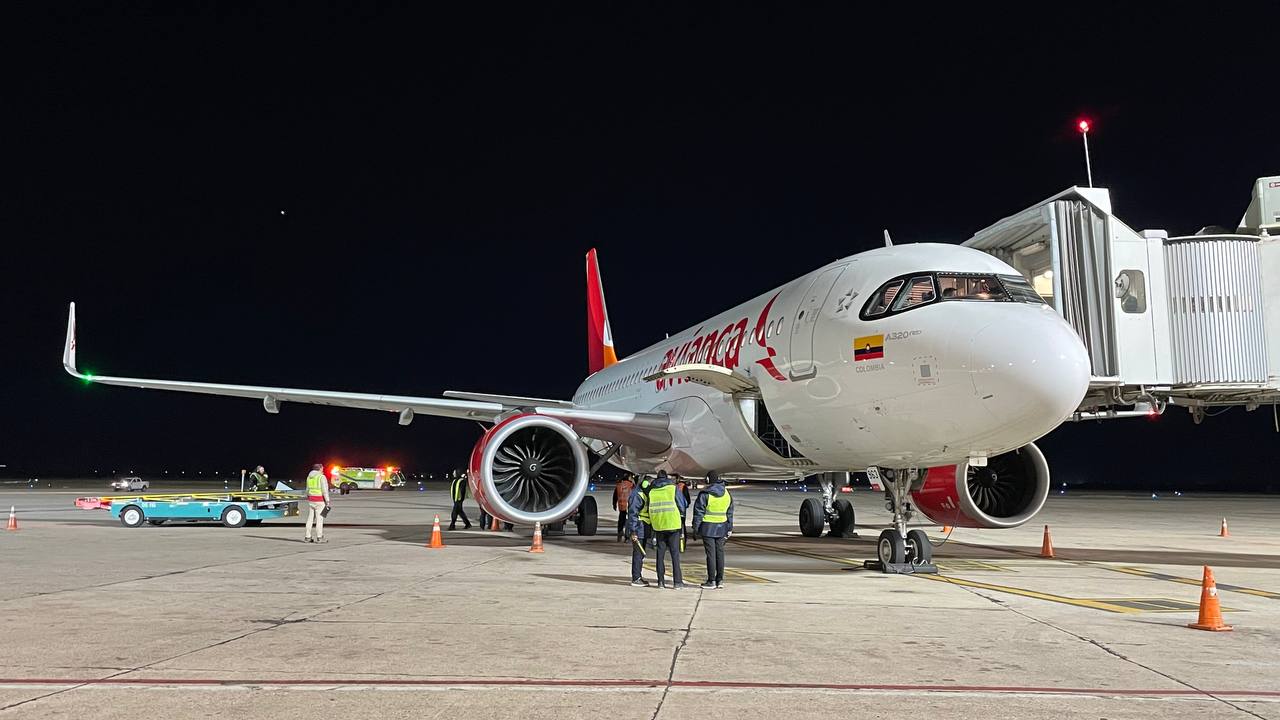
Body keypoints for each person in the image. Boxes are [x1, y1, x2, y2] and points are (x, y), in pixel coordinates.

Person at [692, 470, 734, 589]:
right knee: (720, 554)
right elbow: (730, 512)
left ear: (708, 480)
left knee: (710, 555)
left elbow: (698, 513)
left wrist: (695, 528)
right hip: (722, 527)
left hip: (708, 528)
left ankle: (711, 580)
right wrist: (729, 528)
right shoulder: (727, 493)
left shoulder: (705, 494)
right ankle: (720, 580)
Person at [647, 470, 688, 589]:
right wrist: (681, 516)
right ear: (666, 478)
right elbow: (682, 504)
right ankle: (678, 582)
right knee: (675, 554)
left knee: (660, 555)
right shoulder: (673, 488)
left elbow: (649, 506)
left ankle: (660, 582)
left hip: (658, 525)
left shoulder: (652, 491)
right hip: (673, 525)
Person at [625, 475, 653, 587]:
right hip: (638, 528)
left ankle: (638, 576)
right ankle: (636, 578)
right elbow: (632, 514)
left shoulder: (644, 493)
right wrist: (633, 531)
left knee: (640, 554)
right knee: (638, 553)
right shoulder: (637, 495)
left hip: (644, 527)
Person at [303, 463, 330, 543]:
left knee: (310, 518)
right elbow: (324, 490)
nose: (323, 470)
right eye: (322, 468)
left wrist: (309, 496)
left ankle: (307, 537)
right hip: (320, 500)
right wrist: (327, 501)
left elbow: (307, 489)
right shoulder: (321, 477)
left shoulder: (309, 477)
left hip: (311, 500)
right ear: (320, 469)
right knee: (319, 519)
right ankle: (319, 537)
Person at [613, 474, 635, 542]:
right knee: (629, 521)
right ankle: (627, 537)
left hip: (622, 506)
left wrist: (614, 504)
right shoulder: (631, 485)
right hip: (629, 505)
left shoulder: (619, 485)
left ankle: (619, 533)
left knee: (621, 520)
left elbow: (615, 496)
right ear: (629, 478)